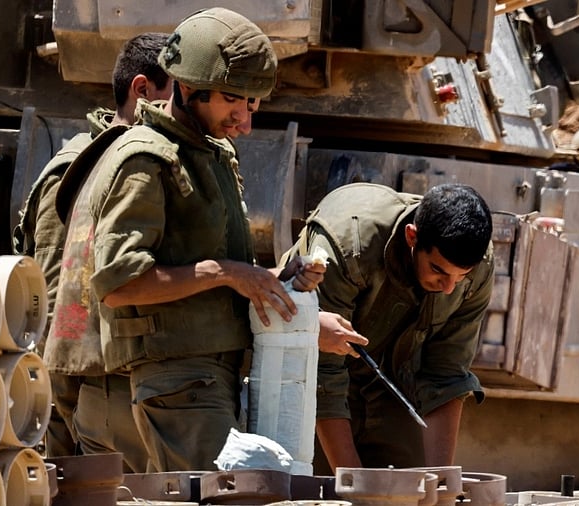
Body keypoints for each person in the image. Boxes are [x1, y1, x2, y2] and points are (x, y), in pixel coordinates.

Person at [82, 7, 323, 472]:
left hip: (212, 376)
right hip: (180, 380)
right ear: (189, 87)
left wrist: (273, 278)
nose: (245, 121)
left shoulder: (208, 155)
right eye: (234, 101)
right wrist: (228, 272)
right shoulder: (146, 158)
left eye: (253, 105)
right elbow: (117, 284)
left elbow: (211, 275)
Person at [12, 32, 172, 462]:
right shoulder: (79, 168)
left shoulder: (146, 166)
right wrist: (58, 425)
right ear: (142, 91)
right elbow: (50, 308)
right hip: (81, 398)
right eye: (177, 93)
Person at [282, 182, 494, 473]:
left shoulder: (478, 263)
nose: (448, 288)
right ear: (412, 237)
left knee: (412, 491)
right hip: (303, 381)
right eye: (437, 270)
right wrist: (356, 489)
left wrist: (439, 487)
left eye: (460, 277)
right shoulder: (350, 242)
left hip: (393, 384)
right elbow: (323, 374)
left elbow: (446, 374)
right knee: (311, 489)